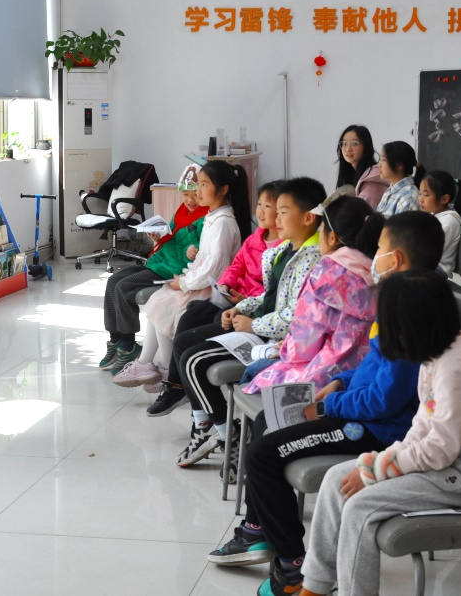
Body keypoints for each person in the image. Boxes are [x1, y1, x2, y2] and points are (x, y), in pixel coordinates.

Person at [208, 210, 445, 595]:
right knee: (267, 424)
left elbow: (387, 399)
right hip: (358, 409)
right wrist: (340, 381)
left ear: (397, 259)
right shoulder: (401, 298)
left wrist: (328, 407)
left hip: (376, 430)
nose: (374, 256)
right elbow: (373, 368)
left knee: (263, 455)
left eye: (380, 248)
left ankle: (292, 568)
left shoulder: (413, 312)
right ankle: (264, 536)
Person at [296, 271, 461, 596]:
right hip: (452, 458)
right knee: (336, 479)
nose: (382, 333)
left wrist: (374, 471)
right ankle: (315, 588)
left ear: (411, 327)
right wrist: (381, 462)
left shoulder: (456, 367)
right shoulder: (435, 353)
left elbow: (438, 450)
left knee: (361, 507)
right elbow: (423, 424)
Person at [172, 178, 327, 466]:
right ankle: (209, 428)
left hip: (274, 338)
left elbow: (295, 318)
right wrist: (239, 308)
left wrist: (251, 324)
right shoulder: (284, 251)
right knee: (185, 342)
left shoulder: (312, 259)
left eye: (282, 211)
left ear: (308, 218)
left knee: (194, 360)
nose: (275, 217)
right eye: (272, 209)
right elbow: (270, 296)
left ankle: (226, 436)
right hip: (259, 325)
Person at [145, 181, 281, 417]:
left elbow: (272, 296)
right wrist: (227, 285)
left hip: (251, 313)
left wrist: (243, 302)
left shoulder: (281, 249)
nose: (259, 211)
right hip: (233, 299)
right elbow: (236, 266)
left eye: (267, 206)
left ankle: (210, 419)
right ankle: (174, 385)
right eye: (258, 204)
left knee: (190, 342)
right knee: (189, 316)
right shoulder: (254, 238)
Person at [114, 161, 249, 389]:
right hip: (198, 282)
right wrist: (189, 262)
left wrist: (184, 282)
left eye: (203, 185)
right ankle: (156, 367)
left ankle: (162, 370)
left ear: (223, 189)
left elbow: (215, 267)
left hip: (210, 290)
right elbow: (205, 258)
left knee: (164, 306)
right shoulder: (213, 217)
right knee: (159, 300)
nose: (198, 192)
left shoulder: (223, 223)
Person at [245, 194, 384, 396]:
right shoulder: (382, 272)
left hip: (323, 379)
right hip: (366, 377)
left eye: (322, 229)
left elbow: (303, 345)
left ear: (332, 237)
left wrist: (285, 348)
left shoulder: (327, 274)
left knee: (252, 373)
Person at [98, 165, 207, 375]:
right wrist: (158, 236)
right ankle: (115, 340)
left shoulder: (206, 218)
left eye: (194, 195)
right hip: (159, 260)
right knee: (112, 282)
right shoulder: (183, 211)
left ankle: (128, 345)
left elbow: (204, 249)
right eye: (186, 195)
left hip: (172, 269)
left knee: (123, 287)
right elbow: (173, 237)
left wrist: (193, 251)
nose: (190, 200)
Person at [417, 170, 461, 276]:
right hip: (428, 266)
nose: (421, 199)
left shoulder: (449, 222)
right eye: (420, 193)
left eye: (426, 194)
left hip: (436, 269)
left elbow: (429, 253)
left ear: (444, 199)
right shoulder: (435, 215)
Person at [335, 125, 388, 208]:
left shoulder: (371, 182)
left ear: (366, 147)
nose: (348, 149)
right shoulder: (354, 176)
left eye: (355, 143)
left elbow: (363, 214)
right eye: (344, 143)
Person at [374, 141, 423, 217]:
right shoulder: (391, 190)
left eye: (383, 160)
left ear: (398, 165)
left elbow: (403, 225)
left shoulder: (408, 196)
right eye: (380, 159)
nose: (379, 165)